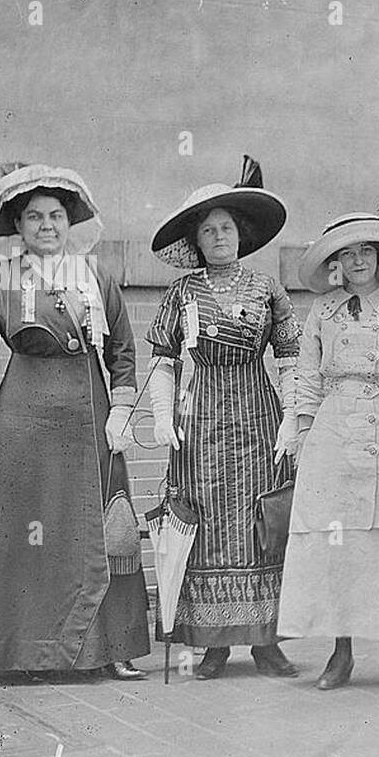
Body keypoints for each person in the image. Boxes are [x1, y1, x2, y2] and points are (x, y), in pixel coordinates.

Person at [0, 163, 150, 680]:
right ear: (18, 225)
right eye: (33, 217)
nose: (46, 225)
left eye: (55, 215)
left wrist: (121, 410)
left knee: (99, 526)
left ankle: (110, 649)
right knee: (28, 533)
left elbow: (122, 350)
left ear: (69, 222)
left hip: (90, 415)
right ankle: (19, 654)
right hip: (24, 416)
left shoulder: (96, 276)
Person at [146, 159, 301, 680]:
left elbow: (291, 357)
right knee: (207, 520)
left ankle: (266, 642)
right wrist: (162, 416)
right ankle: (213, 644)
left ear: (242, 234)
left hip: (258, 412)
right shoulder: (182, 293)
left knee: (261, 521)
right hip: (202, 417)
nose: (219, 237)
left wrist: (292, 418)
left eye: (227, 228)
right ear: (197, 240)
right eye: (209, 230)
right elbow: (163, 360)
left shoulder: (266, 288)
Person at [277, 214, 379, 691]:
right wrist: (301, 432)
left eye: (366, 251)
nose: (358, 260)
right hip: (333, 426)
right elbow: (307, 376)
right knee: (339, 541)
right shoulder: (322, 310)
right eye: (348, 253)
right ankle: (341, 652)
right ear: (337, 262)